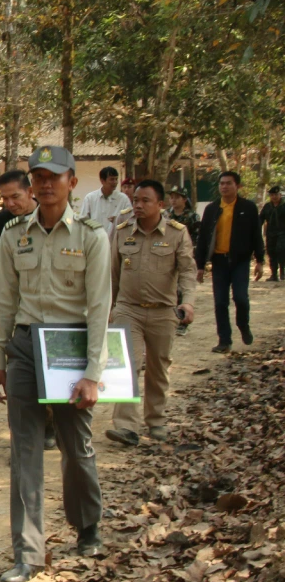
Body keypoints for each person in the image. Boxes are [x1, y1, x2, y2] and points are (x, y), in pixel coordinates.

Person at [0, 145, 110, 582]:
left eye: (54, 176)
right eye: (37, 176)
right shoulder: (13, 234)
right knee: (24, 451)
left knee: (76, 447)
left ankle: (88, 525)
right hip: (24, 347)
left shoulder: (92, 236)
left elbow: (99, 308)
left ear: (72, 182)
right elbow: (3, 301)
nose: (44, 184)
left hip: (69, 350)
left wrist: (93, 373)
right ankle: (28, 551)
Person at [105, 179, 196, 446]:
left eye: (145, 201)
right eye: (135, 200)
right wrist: (108, 309)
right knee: (125, 366)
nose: (138, 205)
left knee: (158, 368)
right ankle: (126, 426)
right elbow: (111, 273)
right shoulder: (122, 231)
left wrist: (188, 302)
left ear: (161, 204)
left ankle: (155, 421)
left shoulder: (177, 233)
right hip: (127, 310)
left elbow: (188, 271)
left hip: (162, 311)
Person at [0, 169, 57, 452]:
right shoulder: (7, 224)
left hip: (56, 320)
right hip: (22, 318)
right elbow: (2, 278)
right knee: (20, 390)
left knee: (52, 389)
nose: (10, 204)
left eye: (15, 196)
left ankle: (50, 425)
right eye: (4, 199)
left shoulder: (54, 219)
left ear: (30, 192)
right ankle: (22, 444)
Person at [195, 171, 266, 353]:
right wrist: (200, 265)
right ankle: (224, 340)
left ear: (238, 186)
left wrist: (260, 260)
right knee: (220, 302)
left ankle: (243, 325)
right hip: (219, 262)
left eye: (228, 183)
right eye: (221, 184)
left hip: (240, 261)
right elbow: (203, 238)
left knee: (240, 298)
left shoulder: (248, 207)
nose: (224, 187)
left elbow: (256, 235)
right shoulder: (212, 209)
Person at [167, 189, 201, 335]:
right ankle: (171, 320)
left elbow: (198, 237)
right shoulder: (166, 215)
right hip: (167, 254)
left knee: (182, 288)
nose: (173, 200)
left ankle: (182, 321)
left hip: (186, 254)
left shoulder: (192, 216)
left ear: (184, 200)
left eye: (177, 198)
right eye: (171, 197)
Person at [77, 166, 131, 232]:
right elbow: (83, 221)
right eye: (111, 179)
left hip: (116, 239)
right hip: (95, 240)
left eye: (116, 179)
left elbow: (131, 220)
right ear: (102, 181)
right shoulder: (90, 198)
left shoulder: (123, 199)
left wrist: (119, 219)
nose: (115, 182)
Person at [261, 186, 285, 281]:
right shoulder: (267, 206)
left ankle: (283, 272)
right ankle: (273, 274)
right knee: (271, 252)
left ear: (280, 195)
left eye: (276, 194)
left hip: (283, 233)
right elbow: (261, 218)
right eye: (272, 195)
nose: (274, 197)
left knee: (281, 251)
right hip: (271, 234)